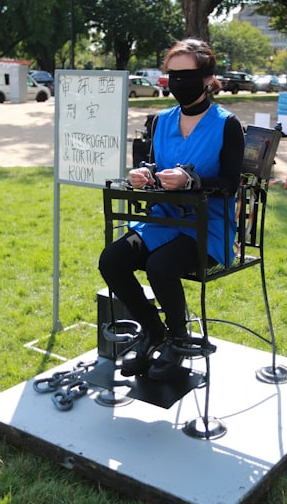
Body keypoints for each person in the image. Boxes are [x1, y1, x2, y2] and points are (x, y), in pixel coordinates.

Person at [97, 39, 244, 381]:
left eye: (185, 75)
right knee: (112, 260)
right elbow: (154, 163)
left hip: (209, 225)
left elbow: (230, 182)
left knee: (159, 265)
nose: (177, 82)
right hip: (164, 219)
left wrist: (191, 180)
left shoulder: (227, 124)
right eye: (171, 75)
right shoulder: (161, 120)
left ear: (208, 78)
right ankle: (152, 331)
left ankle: (178, 338)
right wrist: (144, 175)